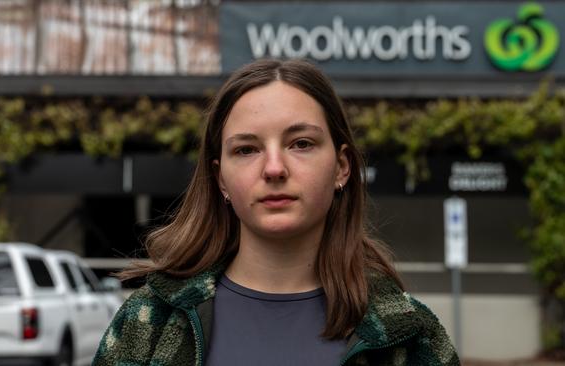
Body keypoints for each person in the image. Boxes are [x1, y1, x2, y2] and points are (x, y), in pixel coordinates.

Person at [92, 59, 459, 366]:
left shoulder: (409, 334)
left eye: (301, 143)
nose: (273, 168)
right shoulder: (150, 320)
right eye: (247, 149)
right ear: (221, 179)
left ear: (342, 167)